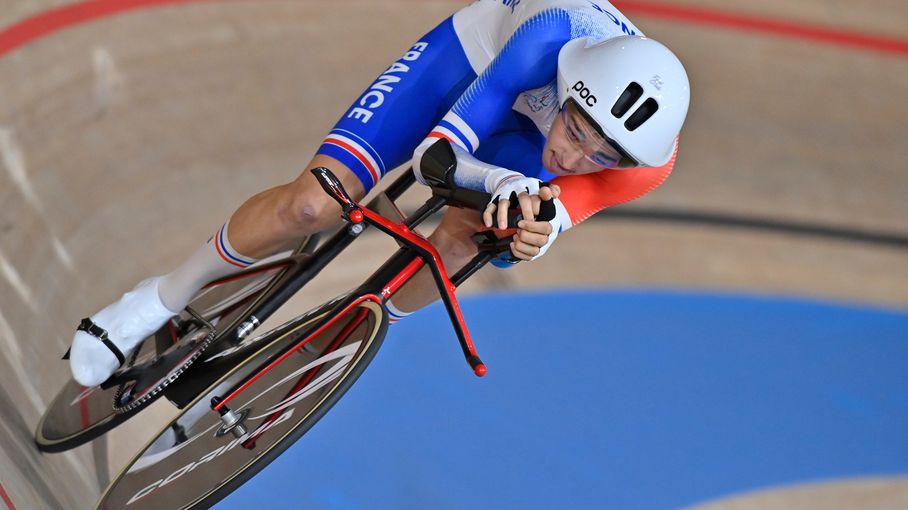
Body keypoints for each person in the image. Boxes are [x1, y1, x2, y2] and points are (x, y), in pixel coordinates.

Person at [68, 0, 690, 386]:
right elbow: (437, 159)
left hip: (521, 135)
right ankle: (160, 297)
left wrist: (532, 229)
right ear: (574, 88)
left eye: (599, 155)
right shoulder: (548, 37)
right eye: (578, 131)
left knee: (473, 236)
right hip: (476, 67)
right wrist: (503, 182)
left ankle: (323, 354)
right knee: (313, 204)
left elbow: (554, 211)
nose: (574, 157)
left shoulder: (642, 166)